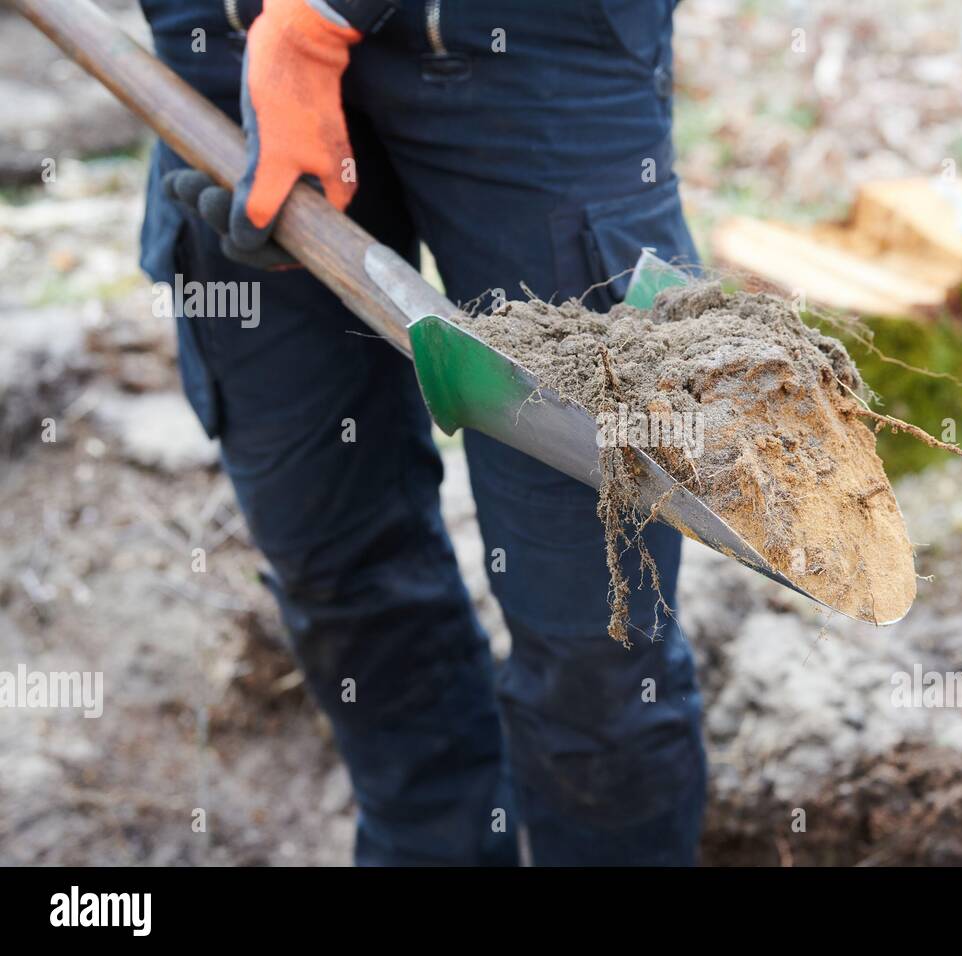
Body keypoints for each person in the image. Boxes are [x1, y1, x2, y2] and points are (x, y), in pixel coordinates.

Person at [137, 0, 706, 865]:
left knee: (599, 631)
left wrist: (321, 20)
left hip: (529, 44)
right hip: (231, 42)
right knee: (342, 568)